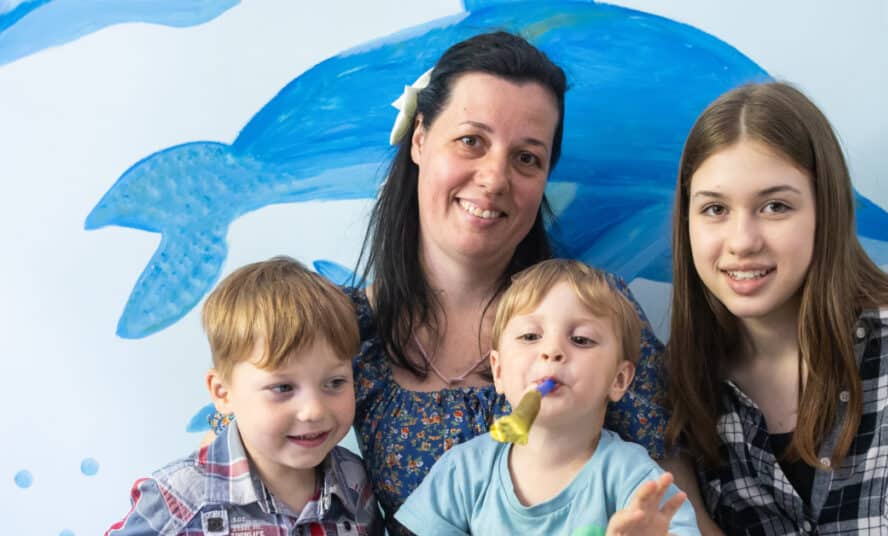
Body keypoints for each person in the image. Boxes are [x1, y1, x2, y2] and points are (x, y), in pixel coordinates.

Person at [347, 30, 701, 533]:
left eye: (526, 157)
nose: (495, 178)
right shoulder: (349, 332)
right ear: (420, 138)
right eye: (471, 141)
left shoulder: (596, 313)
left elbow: (672, 501)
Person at [664, 81, 888, 534]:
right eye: (715, 209)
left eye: (775, 206)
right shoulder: (681, 391)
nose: (742, 242)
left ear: (825, 210)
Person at [395, 259, 699, 535]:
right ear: (498, 372)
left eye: (581, 339)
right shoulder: (464, 471)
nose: (551, 350)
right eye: (530, 336)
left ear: (619, 380)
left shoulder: (633, 477)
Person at [108, 257, 383, 535]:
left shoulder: (355, 481)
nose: (314, 410)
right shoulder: (179, 500)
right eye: (283, 388)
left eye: (335, 382)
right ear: (223, 393)